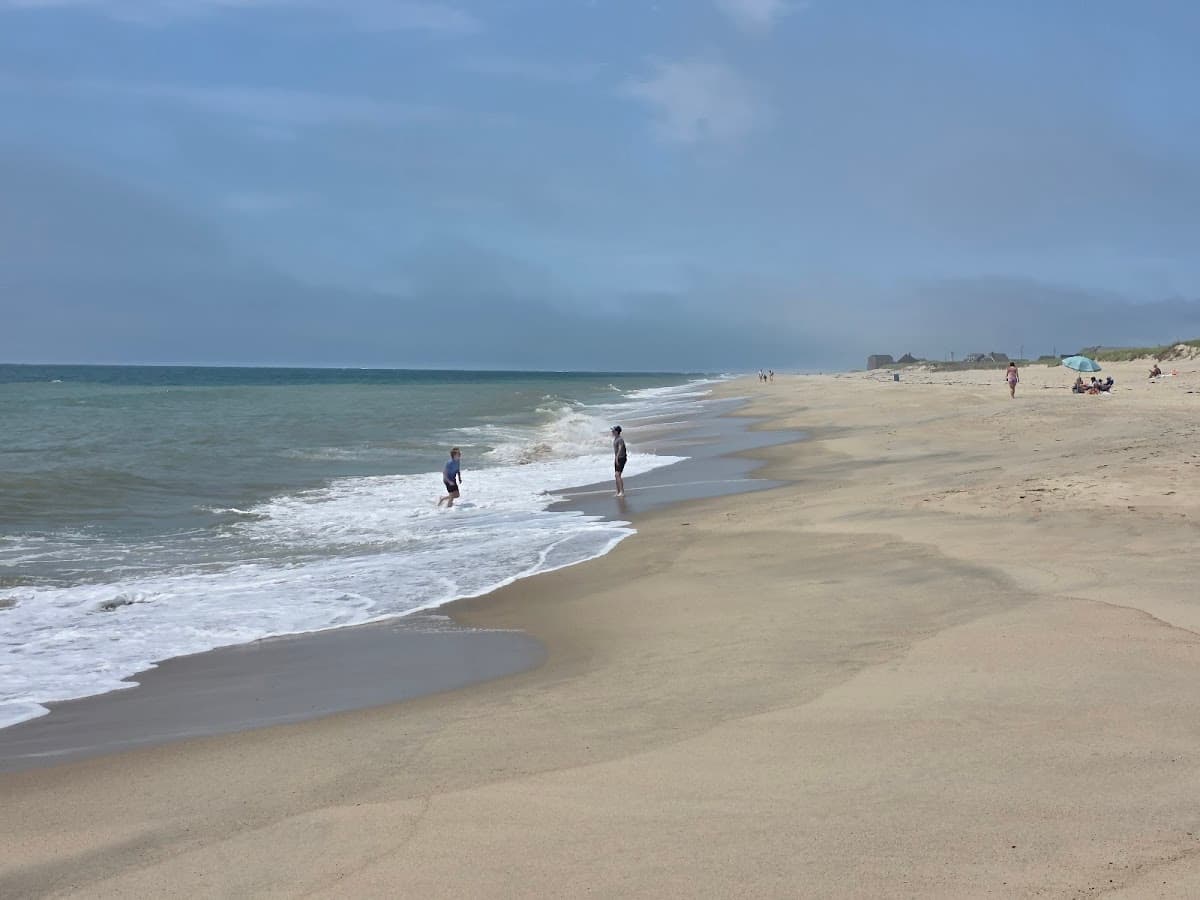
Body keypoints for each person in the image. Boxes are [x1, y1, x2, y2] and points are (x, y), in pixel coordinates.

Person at [610, 425, 627, 497]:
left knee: (618, 475)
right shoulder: (616, 439)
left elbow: (620, 449)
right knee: (616, 475)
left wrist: (616, 458)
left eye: (613, 431)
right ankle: (618, 491)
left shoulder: (620, 439)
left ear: (617, 432)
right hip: (618, 458)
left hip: (621, 458)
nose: (612, 432)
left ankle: (622, 492)